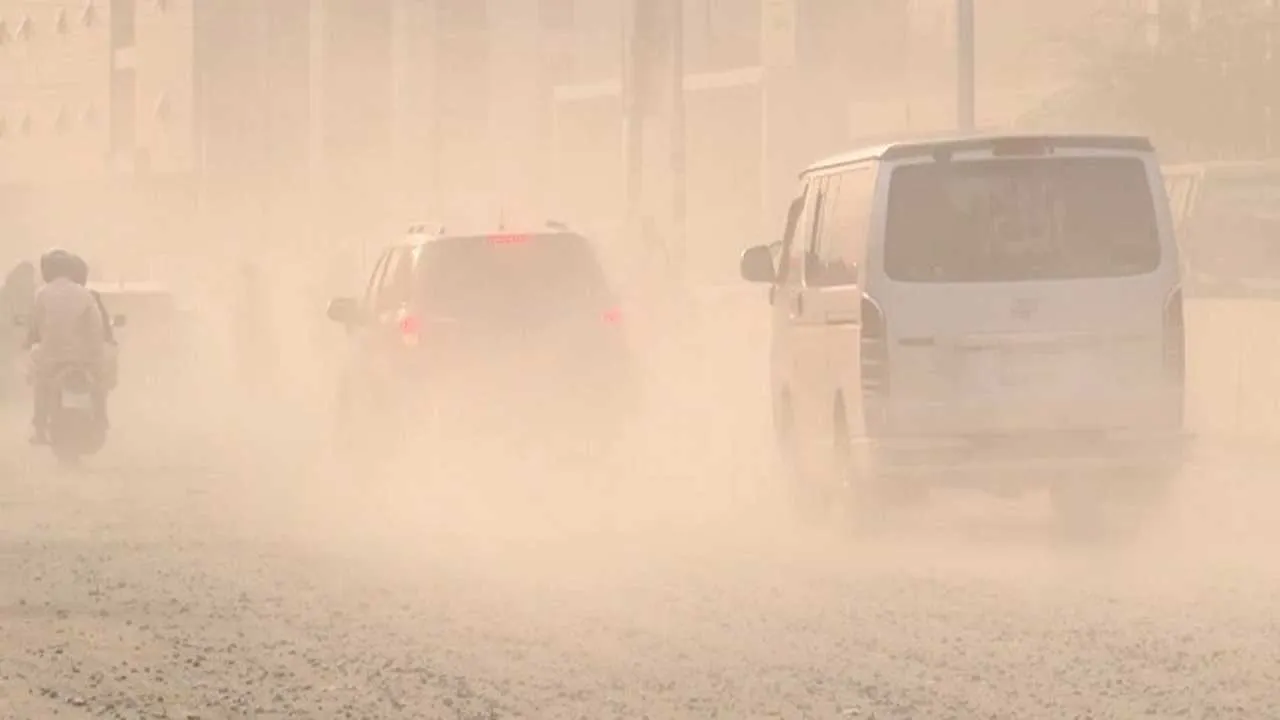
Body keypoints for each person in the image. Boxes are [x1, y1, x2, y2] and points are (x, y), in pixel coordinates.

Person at [26, 249, 107, 445]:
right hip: (84, 357)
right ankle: (101, 418)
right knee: (98, 383)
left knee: (40, 384)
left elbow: (35, 325)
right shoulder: (85, 294)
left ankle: (40, 430)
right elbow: (97, 326)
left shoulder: (42, 294)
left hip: (51, 356)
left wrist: (31, 340)